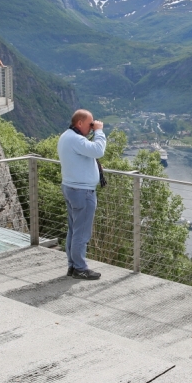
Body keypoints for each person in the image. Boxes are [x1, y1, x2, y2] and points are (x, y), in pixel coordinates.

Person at [58, 109, 107, 280]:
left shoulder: (66, 136)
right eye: (90, 124)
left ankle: (73, 266)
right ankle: (80, 268)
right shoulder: (76, 139)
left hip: (71, 188)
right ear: (79, 123)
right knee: (82, 232)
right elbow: (98, 150)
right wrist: (99, 131)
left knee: (73, 230)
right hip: (82, 192)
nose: (92, 127)